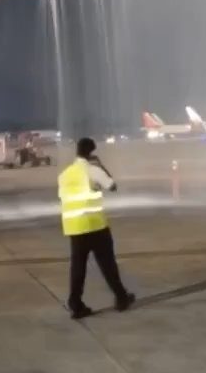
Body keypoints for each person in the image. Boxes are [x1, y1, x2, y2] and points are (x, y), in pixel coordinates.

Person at [58, 137, 134, 319]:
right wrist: (100, 165)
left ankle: (75, 304)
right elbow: (112, 186)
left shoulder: (65, 174)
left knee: (78, 268)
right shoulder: (92, 170)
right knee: (107, 264)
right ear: (91, 152)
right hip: (95, 226)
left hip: (74, 227)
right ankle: (121, 298)